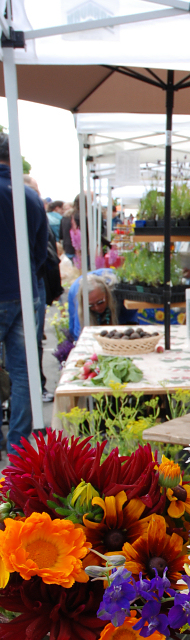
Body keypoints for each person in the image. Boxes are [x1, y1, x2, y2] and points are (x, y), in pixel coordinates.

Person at [0, 134, 48, 454]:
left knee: (20, 372)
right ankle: (18, 444)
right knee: (24, 373)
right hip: (23, 290)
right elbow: (41, 250)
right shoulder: (29, 197)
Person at [25, 177, 63, 403]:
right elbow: (45, 252)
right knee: (29, 347)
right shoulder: (33, 203)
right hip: (29, 283)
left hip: (24, 283)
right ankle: (35, 391)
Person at [68, 270, 120, 340]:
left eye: (100, 302)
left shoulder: (118, 292)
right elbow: (78, 335)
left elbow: (130, 322)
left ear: (107, 294)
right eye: (91, 305)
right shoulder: (78, 297)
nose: (97, 308)